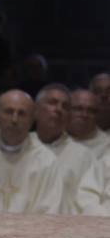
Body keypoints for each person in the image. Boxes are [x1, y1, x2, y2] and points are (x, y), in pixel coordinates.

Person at [33, 84, 102, 214]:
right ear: (35, 110)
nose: (59, 109)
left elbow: (88, 201)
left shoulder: (84, 156)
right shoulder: (23, 149)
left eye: (65, 107)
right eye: (53, 103)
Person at [68, 88, 110, 157]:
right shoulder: (53, 136)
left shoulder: (107, 146)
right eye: (78, 109)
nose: (84, 115)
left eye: (91, 111)